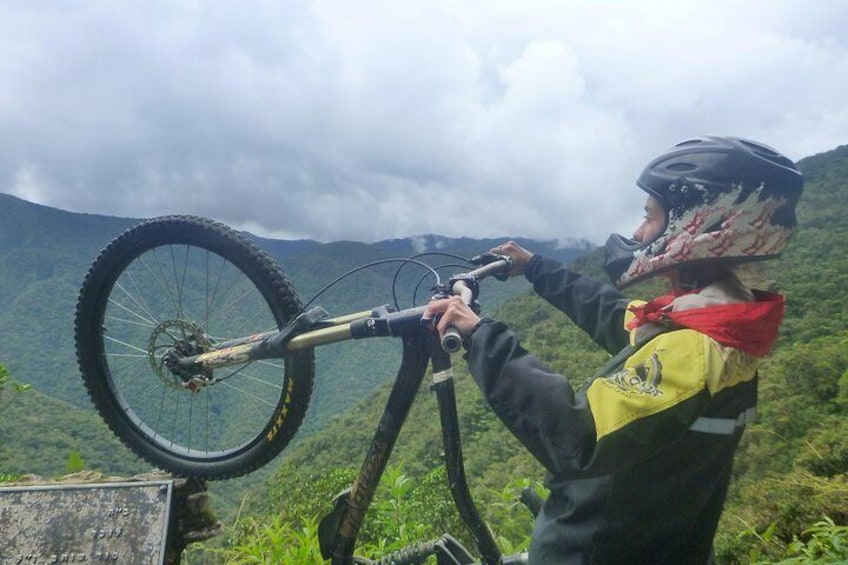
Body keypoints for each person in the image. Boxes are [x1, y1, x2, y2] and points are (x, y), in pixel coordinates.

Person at [424, 136, 804, 564]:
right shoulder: (715, 324)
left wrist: (481, 336)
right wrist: (536, 267)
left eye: (649, 217)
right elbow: (613, 314)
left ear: (698, 226)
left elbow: (577, 436)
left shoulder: (697, 352)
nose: (639, 233)